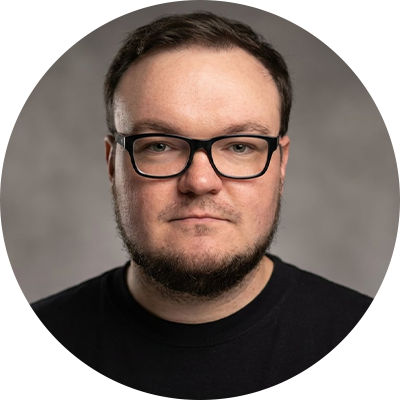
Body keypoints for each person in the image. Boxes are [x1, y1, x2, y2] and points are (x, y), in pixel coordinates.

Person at [1, 11, 399, 400]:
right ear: (112, 164)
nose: (200, 181)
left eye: (239, 146)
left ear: (281, 164)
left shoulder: (385, 354)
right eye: (160, 145)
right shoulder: (17, 355)